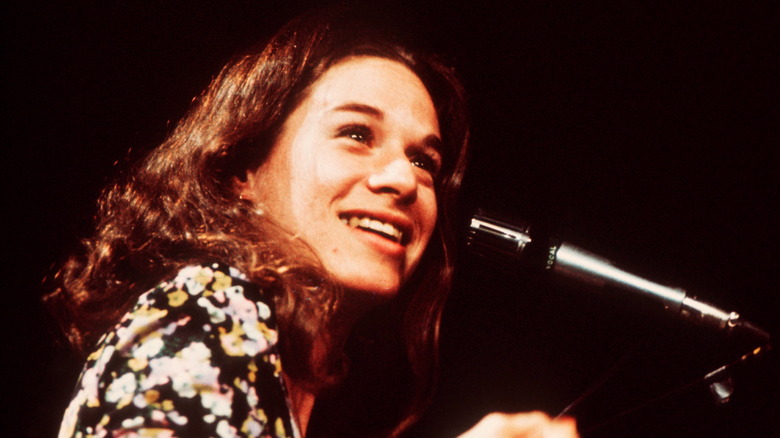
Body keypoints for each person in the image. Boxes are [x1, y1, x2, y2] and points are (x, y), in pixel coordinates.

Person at [47, 6, 579, 438]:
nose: (403, 179)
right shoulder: (204, 310)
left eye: (425, 162)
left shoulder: (290, 380)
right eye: (356, 133)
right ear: (243, 168)